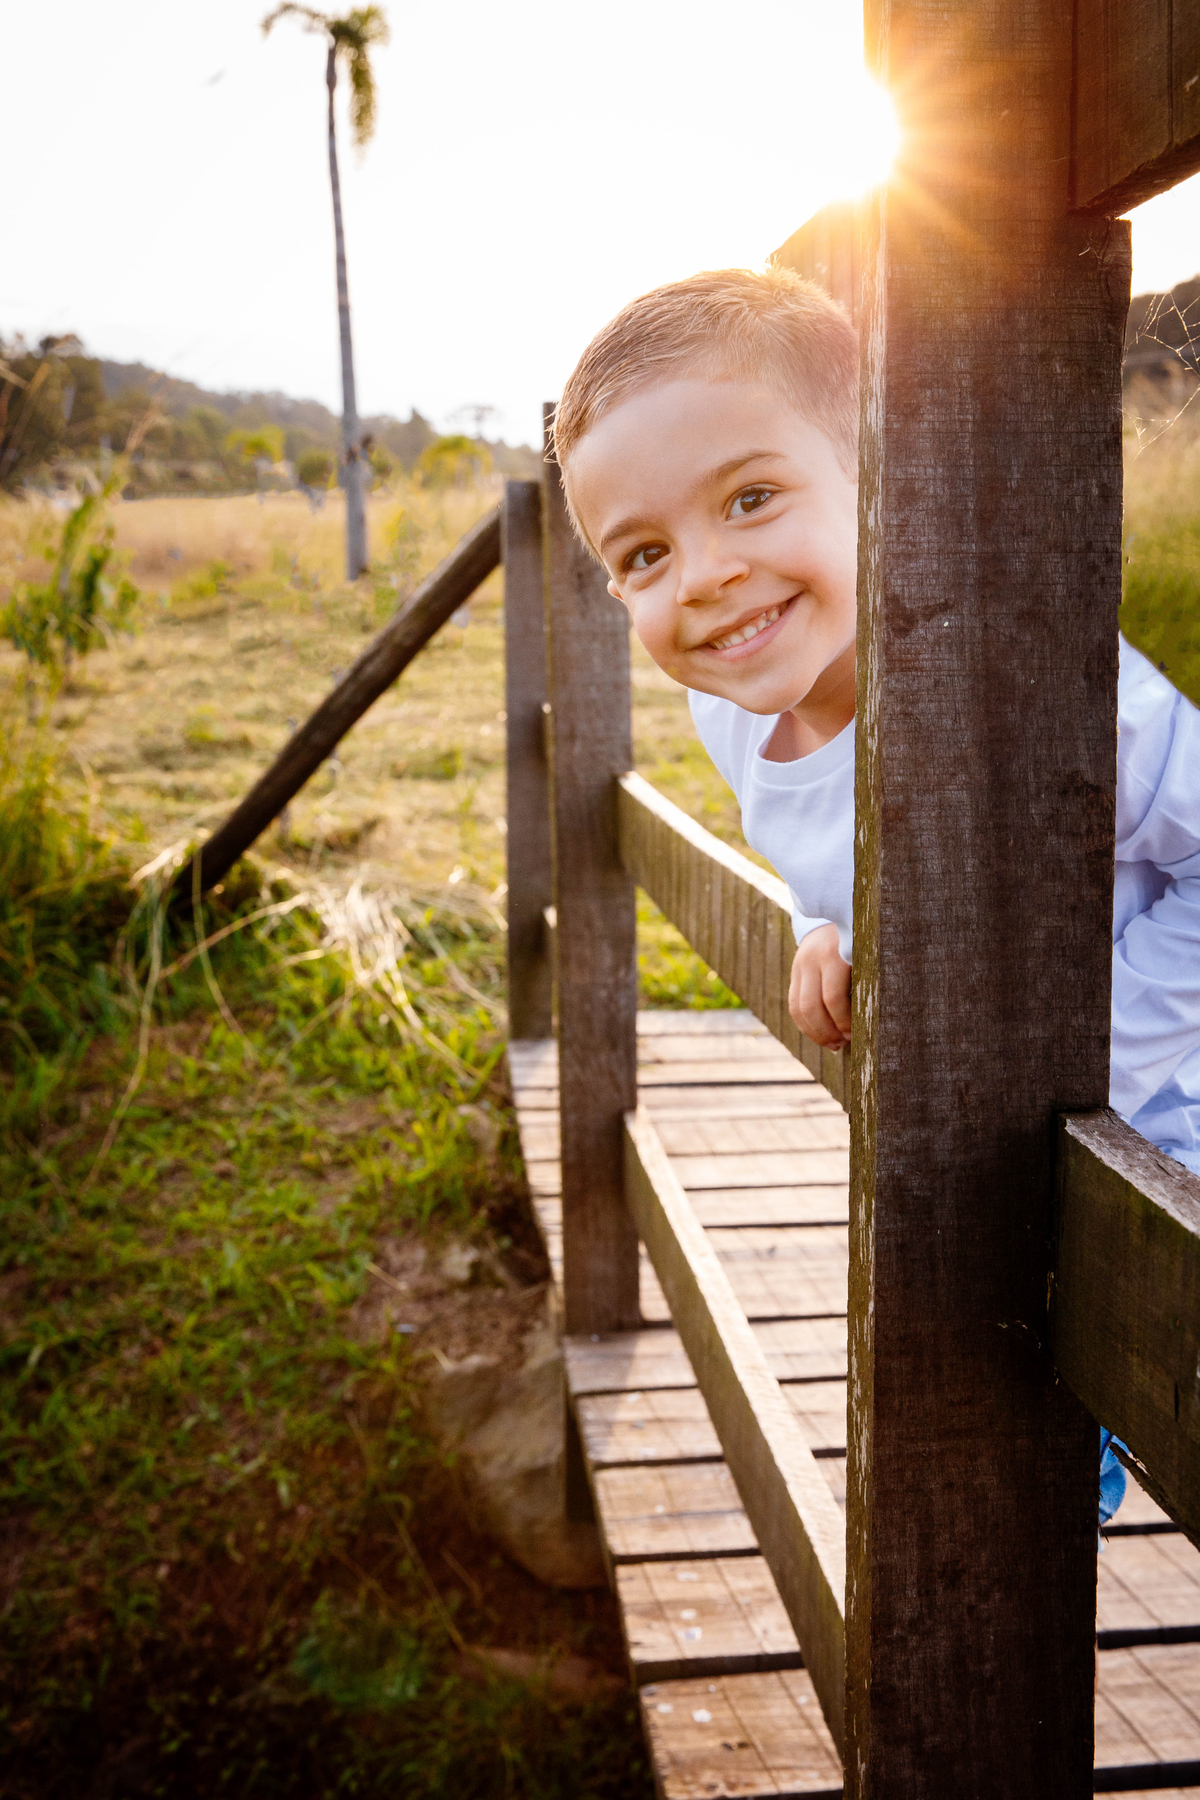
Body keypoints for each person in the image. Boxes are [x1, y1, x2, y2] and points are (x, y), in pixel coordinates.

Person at [554, 265, 1200, 1535]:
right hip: (1000, 1168)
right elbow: (832, 837)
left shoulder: (1039, 690)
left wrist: (1087, 1058)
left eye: (750, 496)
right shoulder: (733, 711)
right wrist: (821, 925)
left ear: (880, 470)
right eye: (643, 554)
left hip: (1166, 1136)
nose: (704, 575)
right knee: (982, 1441)